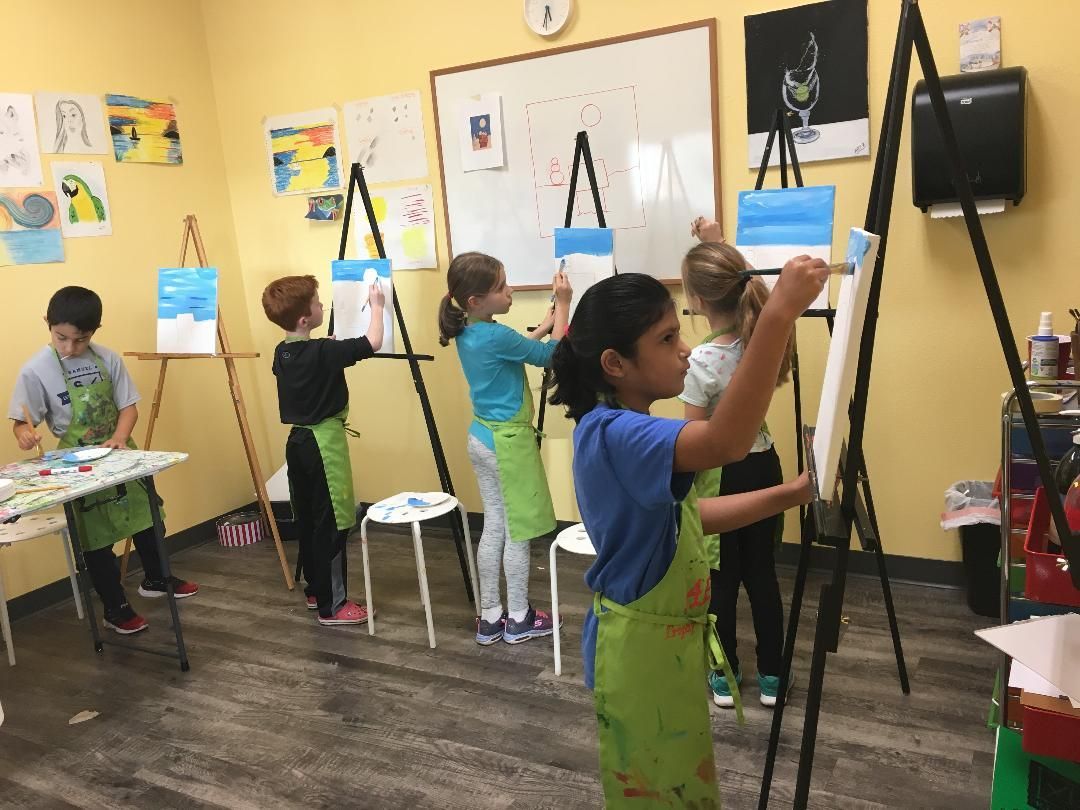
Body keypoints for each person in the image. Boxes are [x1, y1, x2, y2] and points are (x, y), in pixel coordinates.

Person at [548, 262, 825, 806]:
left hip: (663, 646)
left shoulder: (623, 428)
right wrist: (777, 316)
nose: (684, 350)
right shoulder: (621, 433)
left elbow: (692, 517)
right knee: (654, 795)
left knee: (678, 787)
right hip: (638, 654)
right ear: (614, 363)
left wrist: (793, 493)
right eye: (667, 338)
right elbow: (727, 441)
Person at [10, 286, 199, 635]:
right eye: (61, 337)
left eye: (80, 340)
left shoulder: (107, 359)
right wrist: (23, 433)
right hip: (76, 463)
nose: (69, 348)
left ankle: (157, 578)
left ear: (94, 331)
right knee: (95, 537)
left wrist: (119, 437)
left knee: (147, 514)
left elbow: (129, 407)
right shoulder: (35, 370)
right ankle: (115, 606)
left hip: (118, 451)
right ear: (47, 325)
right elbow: (23, 421)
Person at [681, 219, 793, 709]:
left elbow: (696, 438)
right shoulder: (764, 338)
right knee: (762, 576)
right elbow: (748, 283)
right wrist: (716, 241)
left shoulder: (701, 360)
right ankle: (773, 677)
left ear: (698, 302)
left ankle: (724, 677)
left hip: (720, 477)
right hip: (764, 466)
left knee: (720, 582)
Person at [438, 252, 570, 645]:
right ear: (477, 300)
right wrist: (563, 305)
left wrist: (545, 324)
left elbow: (515, 351)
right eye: (501, 287)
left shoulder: (469, 330)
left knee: (494, 525)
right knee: (519, 530)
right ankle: (519, 618)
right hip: (507, 445)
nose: (509, 291)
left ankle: (491, 616)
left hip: (481, 437)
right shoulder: (496, 335)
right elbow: (553, 356)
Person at [262, 274, 383, 625]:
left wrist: (323, 349)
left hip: (297, 443)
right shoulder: (323, 351)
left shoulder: (283, 351)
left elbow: (303, 367)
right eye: (317, 303)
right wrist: (377, 306)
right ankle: (334, 606)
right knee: (332, 523)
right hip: (323, 446)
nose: (322, 306)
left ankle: (317, 591)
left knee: (311, 520)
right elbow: (373, 341)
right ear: (305, 319)